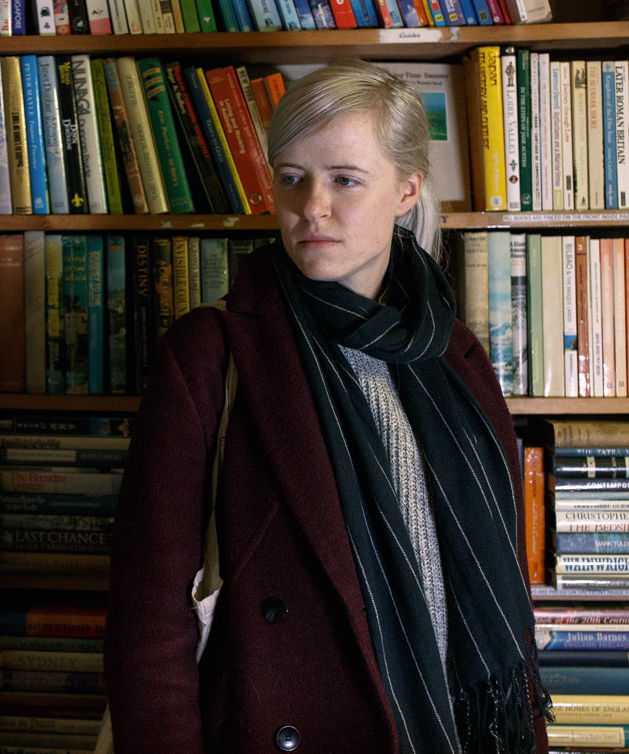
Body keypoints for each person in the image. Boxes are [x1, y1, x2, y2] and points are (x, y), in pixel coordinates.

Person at [103, 59, 548, 754]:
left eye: (344, 180)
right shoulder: (211, 354)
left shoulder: (455, 358)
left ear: (406, 189)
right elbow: (148, 616)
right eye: (291, 178)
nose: (312, 206)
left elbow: (502, 596)